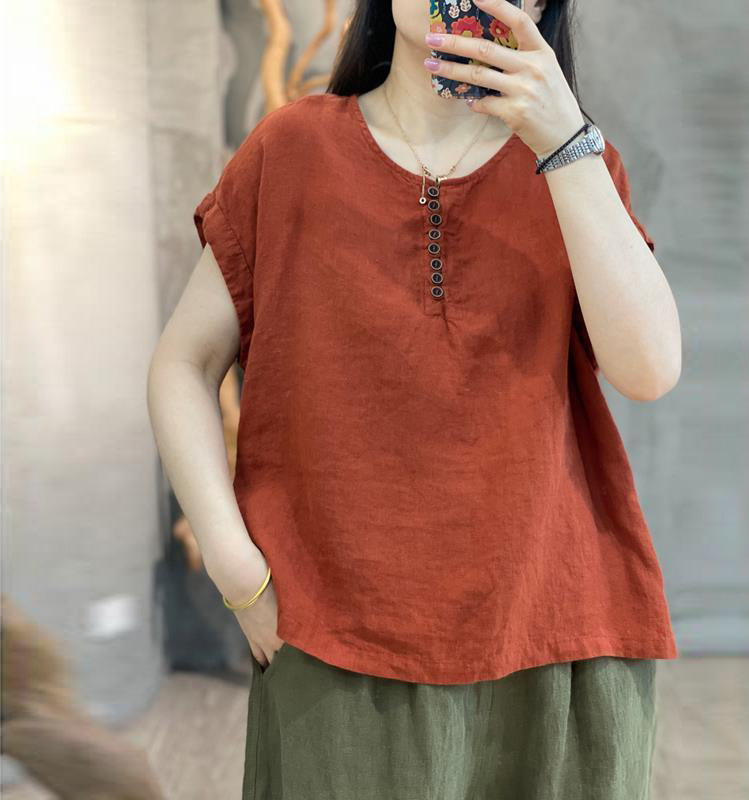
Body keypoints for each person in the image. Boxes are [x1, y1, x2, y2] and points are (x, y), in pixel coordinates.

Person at [147, 0, 681, 797]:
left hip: (556, 634)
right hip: (334, 637)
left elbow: (648, 370)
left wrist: (566, 142)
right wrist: (235, 569)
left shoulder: (577, 166)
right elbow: (182, 365)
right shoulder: (291, 150)